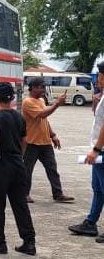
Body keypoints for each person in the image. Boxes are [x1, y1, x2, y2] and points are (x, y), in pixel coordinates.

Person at [0, 82, 36, 255]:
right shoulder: (19, 117)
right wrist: (19, 154)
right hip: (19, 164)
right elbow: (24, 141)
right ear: (12, 97)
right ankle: (29, 242)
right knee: (20, 204)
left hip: (3, 166)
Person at [22, 77, 74, 203]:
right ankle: (24, 194)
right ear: (33, 88)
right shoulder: (27, 102)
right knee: (27, 170)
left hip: (45, 142)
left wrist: (53, 135)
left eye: (44, 87)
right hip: (32, 143)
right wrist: (56, 104)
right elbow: (42, 114)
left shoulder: (40, 100)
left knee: (52, 169)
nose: (44, 90)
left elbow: (44, 120)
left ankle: (58, 194)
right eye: (41, 87)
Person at [68, 61, 104, 243]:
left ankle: (91, 223)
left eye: (99, 75)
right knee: (98, 189)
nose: (97, 78)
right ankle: (90, 223)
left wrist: (96, 150)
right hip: (99, 150)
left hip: (102, 151)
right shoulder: (102, 96)